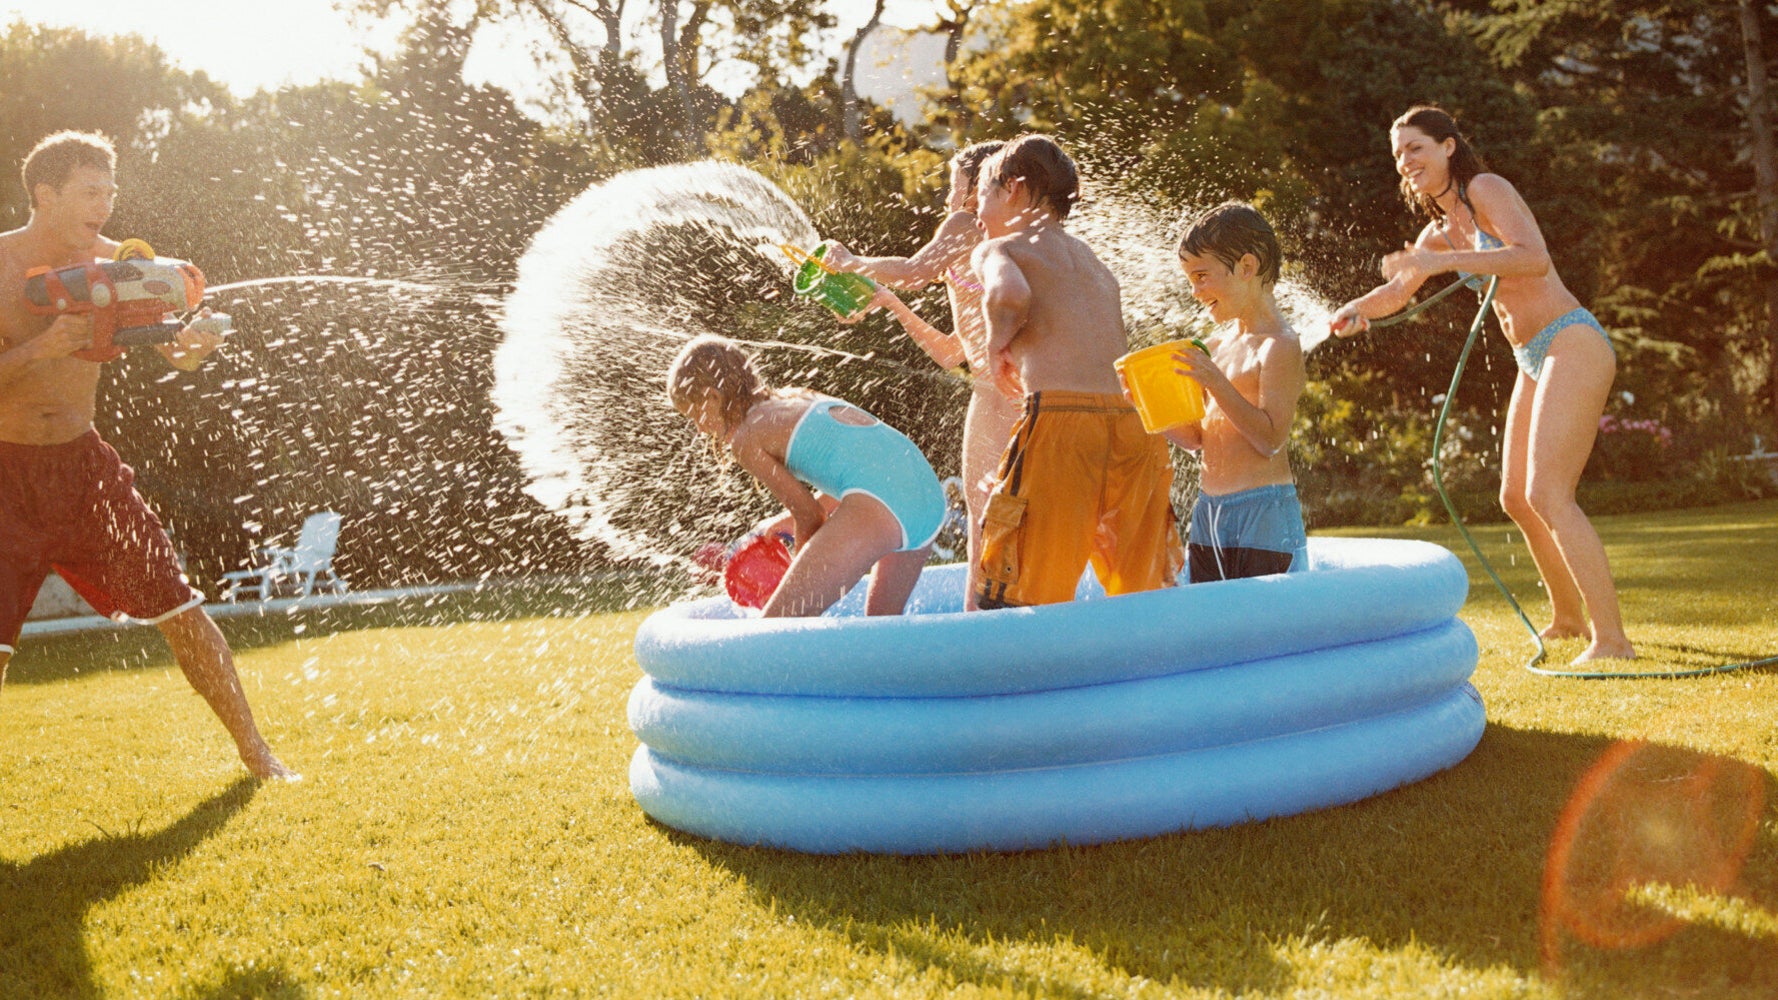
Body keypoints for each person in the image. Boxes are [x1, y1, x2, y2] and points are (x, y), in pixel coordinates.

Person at [0, 131, 297, 778]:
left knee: (180, 608)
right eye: (88, 192)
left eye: (109, 192)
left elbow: (174, 347)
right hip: (4, 475)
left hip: (85, 472)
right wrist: (41, 350)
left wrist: (191, 349)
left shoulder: (122, 268)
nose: (103, 206)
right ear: (44, 195)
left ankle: (259, 757)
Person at [1329, 105, 1635, 663]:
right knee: (1516, 497)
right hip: (1530, 356)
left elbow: (1534, 260)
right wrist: (1354, 309)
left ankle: (1612, 640)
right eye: (1399, 155)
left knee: (1549, 493)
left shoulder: (1487, 188)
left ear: (1448, 146)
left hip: (1571, 339)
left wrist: (1440, 261)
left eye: (1415, 148)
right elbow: (1399, 290)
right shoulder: (1439, 233)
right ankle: (1567, 619)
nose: (1406, 162)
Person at [969, 134, 1183, 609]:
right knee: (1143, 594)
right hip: (1134, 426)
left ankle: (1022, 682)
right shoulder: (1092, 261)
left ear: (1015, 190)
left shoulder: (1001, 249)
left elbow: (1009, 297)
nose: (975, 211)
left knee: (1018, 597)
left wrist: (995, 343)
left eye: (982, 193)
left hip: (1063, 425)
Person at [822, 140, 1010, 609]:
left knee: (986, 522)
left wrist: (851, 263)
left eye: (954, 186)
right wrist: (890, 303)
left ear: (976, 188)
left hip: (998, 400)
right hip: (1002, 392)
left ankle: (978, 629)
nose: (948, 200)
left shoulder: (970, 222)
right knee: (1005, 520)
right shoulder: (992, 241)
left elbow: (915, 269)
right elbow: (952, 353)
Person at [666, 334, 945, 617]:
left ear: (713, 397)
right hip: (927, 492)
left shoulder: (746, 437)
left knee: (777, 628)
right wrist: (793, 519)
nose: (700, 430)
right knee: (882, 628)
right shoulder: (795, 398)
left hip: (885, 500)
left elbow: (810, 515)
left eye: (694, 416)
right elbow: (863, 465)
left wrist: (796, 574)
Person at [1139, 202, 1308, 582]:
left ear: (1247, 268)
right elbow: (1197, 439)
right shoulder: (1215, 346)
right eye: (1190, 280)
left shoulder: (1279, 345)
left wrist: (1215, 381)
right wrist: (1148, 404)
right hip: (1210, 510)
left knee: (1265, 625)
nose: (1196, 292)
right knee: (1207, 622)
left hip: (1262, 510)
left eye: (1202, 276)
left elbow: (1270, 439)